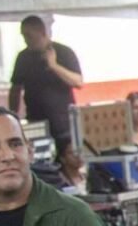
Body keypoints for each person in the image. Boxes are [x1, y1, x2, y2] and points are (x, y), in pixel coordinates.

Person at [8, 15, 84, 153]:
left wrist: (54, 66)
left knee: (68, 159)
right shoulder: (23, 57)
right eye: (23, 35)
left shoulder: (63, 52)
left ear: (42, 33)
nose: (25, 40)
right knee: (40, 162)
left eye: (28, 35)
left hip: (64, 122)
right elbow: (15, 88)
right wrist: (13, 116)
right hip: (36, 121)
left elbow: (78, 82)